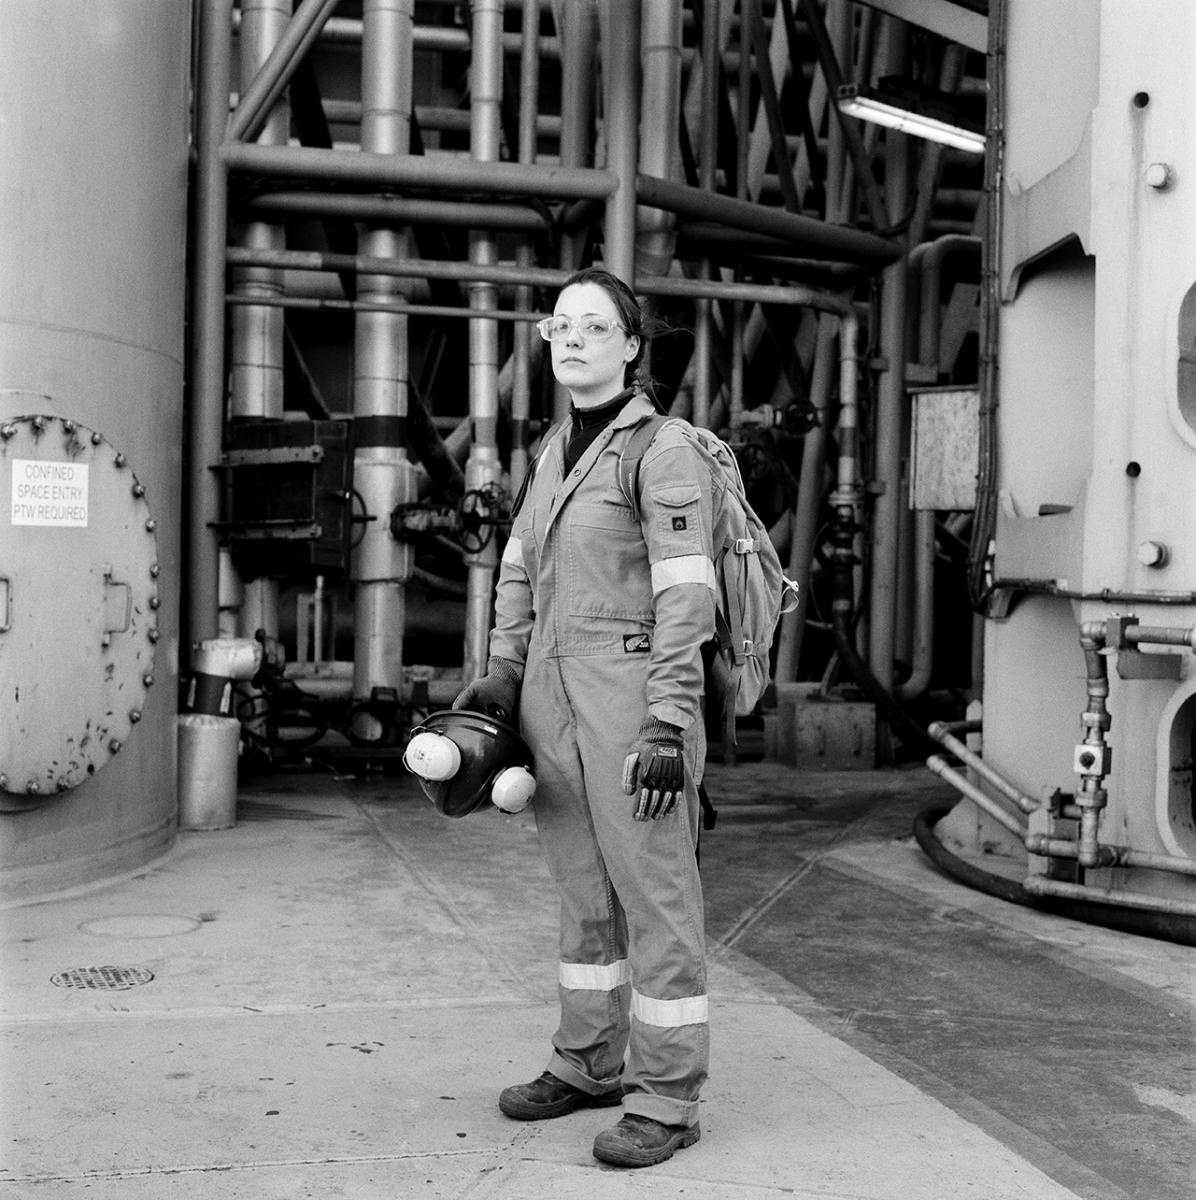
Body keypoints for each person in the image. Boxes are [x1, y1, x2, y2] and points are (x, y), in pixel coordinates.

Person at [454, 266, 717, 1169]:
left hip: (632, 695)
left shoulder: (663, 450)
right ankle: (589, 1060)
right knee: (581, 897)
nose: (570, 340)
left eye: (592, 326)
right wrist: (499, 673)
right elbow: (520, 572)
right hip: (552, 699)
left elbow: (688, 597)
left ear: (632, 346)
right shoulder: (552, 451)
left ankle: (668, 1098)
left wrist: (668, 724)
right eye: (558, 326)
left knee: (656, 898)